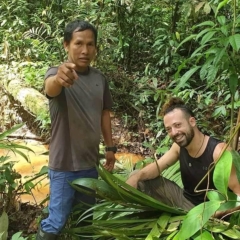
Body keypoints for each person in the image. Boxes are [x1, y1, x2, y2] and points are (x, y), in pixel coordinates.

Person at [36, 20, 116, 239]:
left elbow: (104, 113)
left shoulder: (100, 79)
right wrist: (60, 78)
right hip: (64, 166)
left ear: (96, 48)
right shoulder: (57, 73)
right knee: (56, 222)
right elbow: (51, 88)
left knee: (84, 221)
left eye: (90, 44)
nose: (85, 50)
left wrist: (110, 147)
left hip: (91, 164)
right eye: (78, 43)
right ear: (66, 45)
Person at [126, 97, 240, 218]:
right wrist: (136, 177)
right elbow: (157, 167)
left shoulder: (219, 152)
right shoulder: (178, 147)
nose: (174, 132)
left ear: (192, 122)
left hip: (210, 212)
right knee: (137, 177)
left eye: (178, 125)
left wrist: (217, 215)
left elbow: (238, 198)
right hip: (184, 201)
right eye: (169, 129)